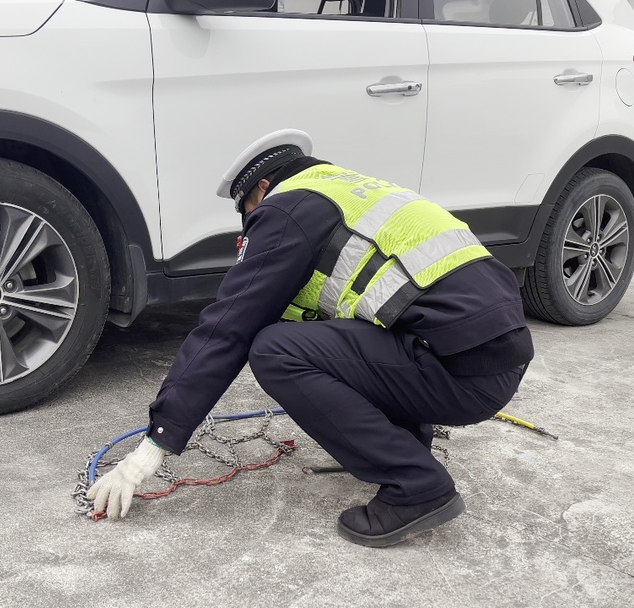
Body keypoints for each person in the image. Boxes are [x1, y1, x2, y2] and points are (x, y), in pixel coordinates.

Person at [87, 129, 534, 547]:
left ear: (261, 189)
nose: (250, 230)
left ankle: (416, 485)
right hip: (490, 358)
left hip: (460, 374)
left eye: (247, 215)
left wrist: (148, 454)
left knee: (275, 351)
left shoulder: (286, 209)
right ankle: (406, 450)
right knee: (322, 334)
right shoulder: (349, 192)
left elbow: (226, 328)